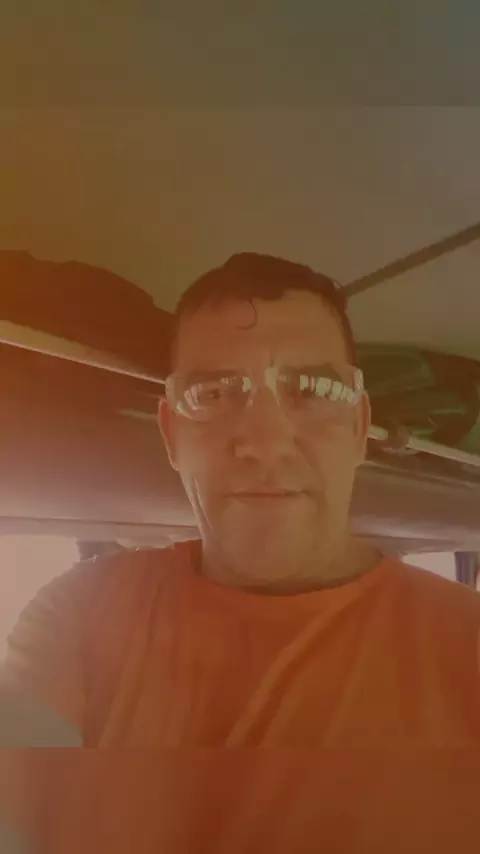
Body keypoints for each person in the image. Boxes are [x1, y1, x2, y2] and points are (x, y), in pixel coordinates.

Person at [1, 253, 480, 853]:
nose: (265, 441)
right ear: (173, 435)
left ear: (359, 428)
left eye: (313, 389)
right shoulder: (78, 612)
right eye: (213, 393)